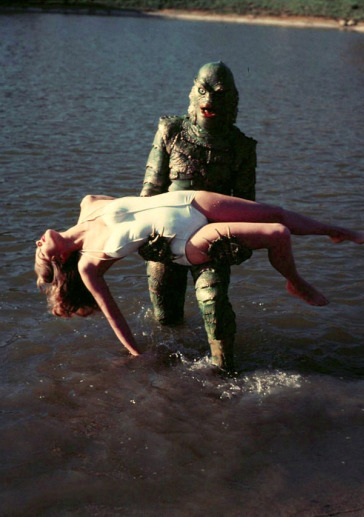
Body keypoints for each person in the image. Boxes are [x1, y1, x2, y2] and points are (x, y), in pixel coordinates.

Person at [34, 190, 364, 363]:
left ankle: (337, 230)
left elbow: (140, 200)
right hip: (187, 242)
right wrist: (138, 355)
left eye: (38, 247)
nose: (39, 243)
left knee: (274, 211)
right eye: (41, 255)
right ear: (61, 259)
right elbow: (113, 313)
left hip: (189, 201)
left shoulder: (89, 204)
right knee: (277, 232)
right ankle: (296, 283)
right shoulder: (88, 264)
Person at [140, 61, 257, 371]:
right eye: (203, 92)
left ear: (232, 99)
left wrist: (240, 243)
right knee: (166, 318)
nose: (209, 103)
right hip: (164, 236)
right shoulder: (171, 131)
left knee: (213, 302)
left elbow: (247, 207)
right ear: (192, 92)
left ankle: (225, 370)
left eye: (219, 95)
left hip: (212, 240)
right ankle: (164, 373)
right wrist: (143, 233)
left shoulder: (241, 147)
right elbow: (150, 190)